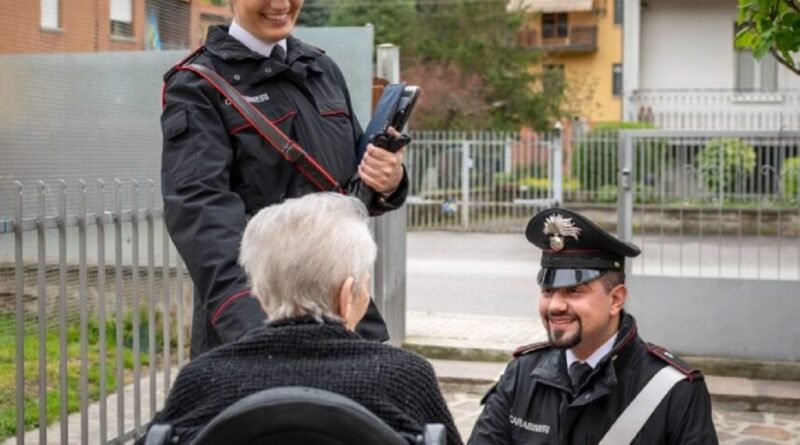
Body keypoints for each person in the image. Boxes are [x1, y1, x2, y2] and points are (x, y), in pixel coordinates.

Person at [160, 0, 408, 357]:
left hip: (346, 316)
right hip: (258, 324)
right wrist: (258, 335)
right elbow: (202, 217)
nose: (280, 4)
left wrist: (389, 179)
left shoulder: (321, 68)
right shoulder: (197, 85)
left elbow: (352, 186)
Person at [139, 193, 461, 445]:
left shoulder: (202, 381)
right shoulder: (404, 379)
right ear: (347, 295)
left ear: (261, 295)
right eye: (365, 282)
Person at [468, 208, 718, 445]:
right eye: (548, 290)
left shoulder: (674, 390)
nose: (555, 305)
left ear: (616, 299)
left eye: (574, 291)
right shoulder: (521, 375)